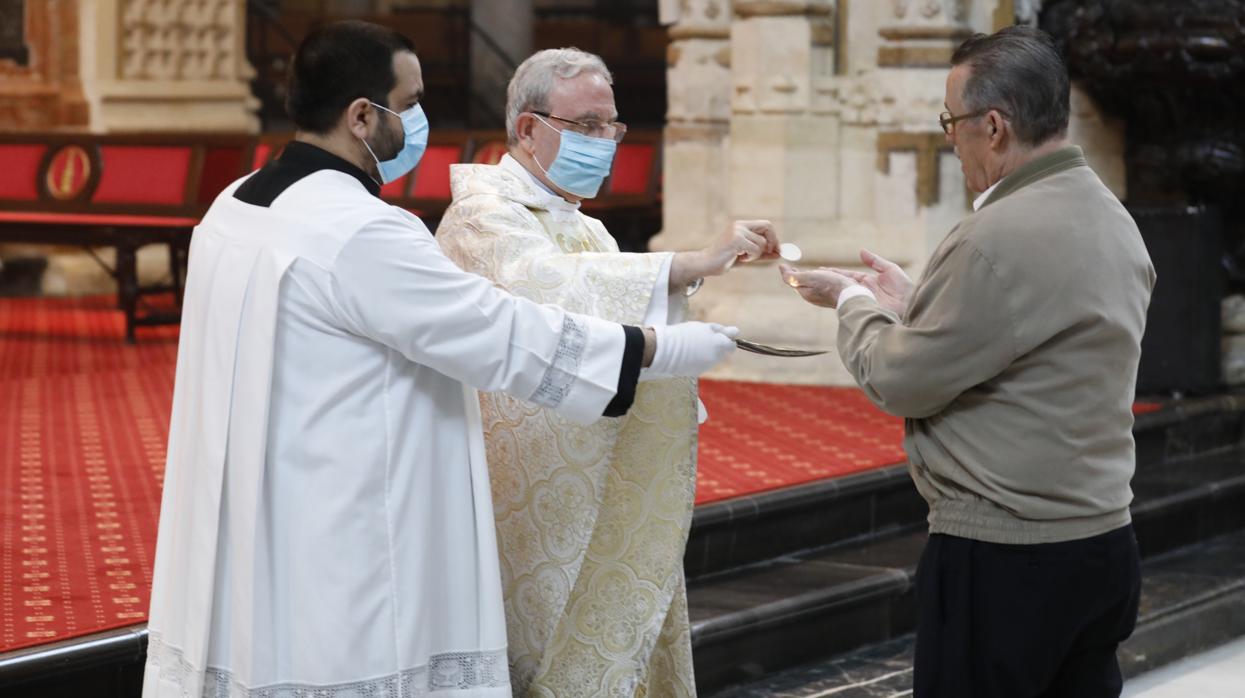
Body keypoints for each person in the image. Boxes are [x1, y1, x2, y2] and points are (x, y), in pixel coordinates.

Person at [142, 21, 739, 698]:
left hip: (261, 493)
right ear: (362, 116)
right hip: (348, 515)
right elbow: (499, 335)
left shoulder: (236, 203)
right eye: (412, 101)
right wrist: (655, 347)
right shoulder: (362, 230)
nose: (421, 120)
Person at [781, 26, 1155, 698]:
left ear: (993, 125)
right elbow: (1025, 336)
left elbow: (899, 381)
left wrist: (851, 304)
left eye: (950, 120)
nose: (947, 138)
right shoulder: (1109, 214)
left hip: (1009, 555)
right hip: (1101, 540)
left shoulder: (993, 236)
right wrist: (915, 302)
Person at [436, 47, 777, 697]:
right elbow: (552, 295)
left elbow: (607, 296)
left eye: (611, 127)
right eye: (585, 125)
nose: (603, 142)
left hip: (597, 467)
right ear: (528, 128)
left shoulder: (583, 227)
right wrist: (692, 263)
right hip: (524, 484)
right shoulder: (483, 214)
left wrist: (689, 283)